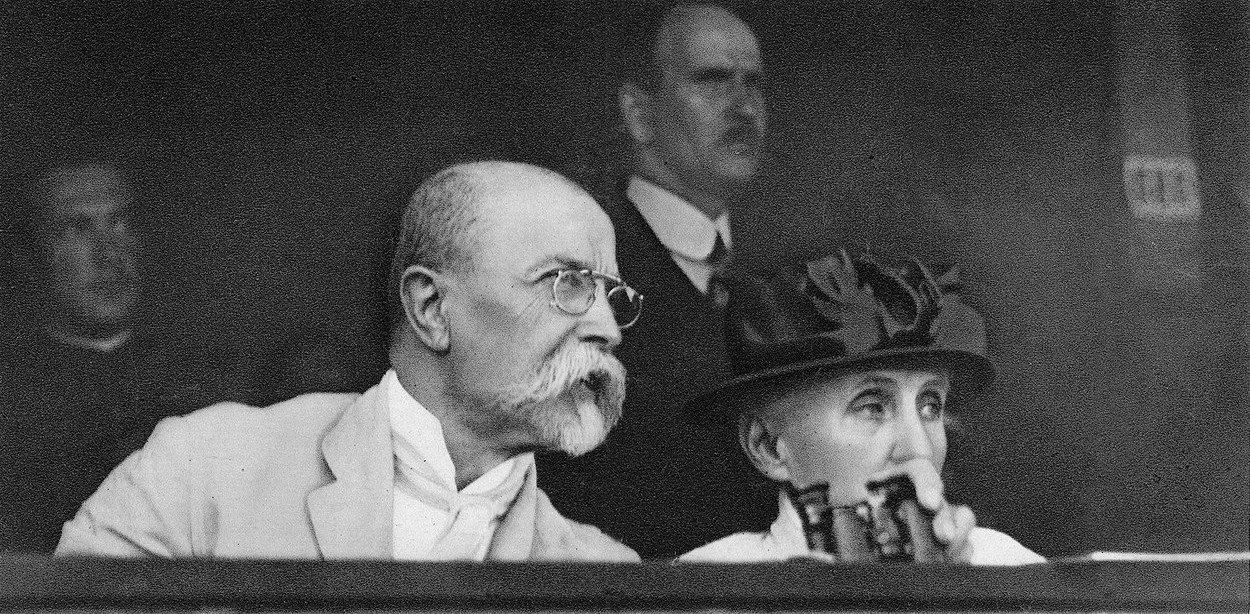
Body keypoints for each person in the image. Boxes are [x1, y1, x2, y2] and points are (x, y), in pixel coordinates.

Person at [55, 161, 641, 562]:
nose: (608, 330)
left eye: (612, 296)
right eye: (566, 283)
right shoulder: (202, 472)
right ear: (431, 309)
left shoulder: (605, 576)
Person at [538, 1, 772, 559]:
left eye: (754, 84)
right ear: (639, 113)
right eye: (712, 81)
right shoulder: (577, 274)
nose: (744, 107)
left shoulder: (774, 275)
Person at [678, 251, 1044, 564]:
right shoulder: (704, 585)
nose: (919, 449)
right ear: (768, 447)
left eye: (930, 406)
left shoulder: (1005, 567)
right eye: (871, 407)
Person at [0, 156, 162, 552]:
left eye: (120, 223)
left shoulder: (210, 381)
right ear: (29, 256)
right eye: (75, 229)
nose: (109, 255)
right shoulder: (12, 398)